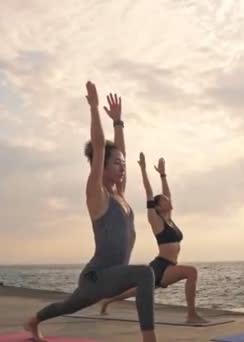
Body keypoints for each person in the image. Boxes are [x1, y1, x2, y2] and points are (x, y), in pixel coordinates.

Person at [23, 81, 158, 342]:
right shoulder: (98, 195)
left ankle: (33, 321)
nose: (122, 167)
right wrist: (95, 108)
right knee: (145, 273)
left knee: (66, 307)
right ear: (102, 167)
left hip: (110, 277)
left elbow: (120, 153)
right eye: (116, 163)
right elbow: (99, 147)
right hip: (96, 278)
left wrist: (119, 123)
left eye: (122, 164)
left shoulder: (121, 195)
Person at [99, 153, 208, 324]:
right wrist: (143, 169)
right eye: (164, 200)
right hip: (161, 266)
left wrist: (163, 175)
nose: (168, 200)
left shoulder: (169, 219)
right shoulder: (155, 220)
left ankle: (107, 301)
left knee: (135, 290)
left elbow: (167, 193)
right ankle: (191, 315)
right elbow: (149, 193)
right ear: (157, 206)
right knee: (191, 272)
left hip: (170, 265)